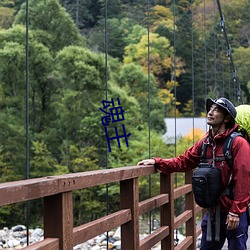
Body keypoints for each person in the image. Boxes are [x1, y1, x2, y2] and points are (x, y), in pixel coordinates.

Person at [137, 97, 250, 250]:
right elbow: (184, 161)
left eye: (216, 110)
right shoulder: (205, 143)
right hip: (213, 211)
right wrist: (157, 162)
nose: (210, 112)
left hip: (233, 211)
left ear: (227, 118)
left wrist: (236, 212)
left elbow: (244, 178)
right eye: (210, 109)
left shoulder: (238, 143)